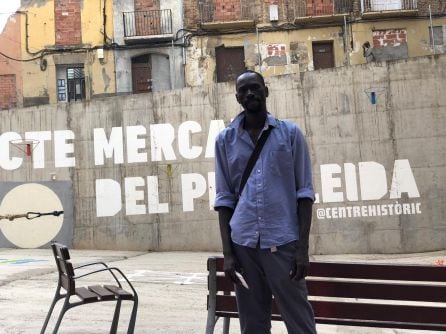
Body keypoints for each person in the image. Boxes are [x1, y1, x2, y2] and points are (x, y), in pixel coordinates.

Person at [214, 70, 317, 334]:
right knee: (252, 325)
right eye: (244, 90)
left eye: (255, 88)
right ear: (237, 97)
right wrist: (228, 253)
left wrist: (302, 248)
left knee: (300, 322)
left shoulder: (290, 134)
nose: (250, 93)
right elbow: (224, 199)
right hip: (243, 245)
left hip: (283, 243)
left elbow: (304, 194)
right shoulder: (225, 140)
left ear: (266, 91)